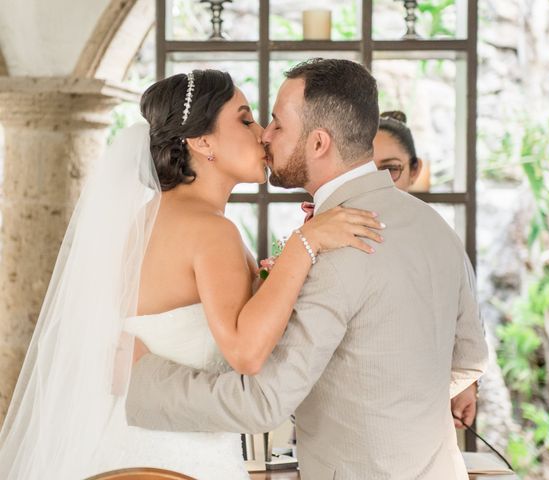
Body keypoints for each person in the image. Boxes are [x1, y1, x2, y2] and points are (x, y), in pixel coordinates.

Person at [0, 69, 384, 480]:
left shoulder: (148, 220)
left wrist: (268, 285)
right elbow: (246, 353)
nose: (262, 134)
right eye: (245, 118)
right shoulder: (209, 230)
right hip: (176, 460)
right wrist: (303, 246)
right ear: (202, 142)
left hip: (119, 452)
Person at [126, 58, 489, 480]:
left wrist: (137, 380)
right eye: (252, 121)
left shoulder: (336, 244)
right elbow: (471, 356)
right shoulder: (433, 226)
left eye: (276, 124)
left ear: (318, 144)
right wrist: (401, 403)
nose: (265, 134)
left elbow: (263, 402)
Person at [373, 110, 480, 430]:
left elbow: (468, 319)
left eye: (390, 169)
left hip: (420, 411)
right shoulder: (328, 233)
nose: (379, 181)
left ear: (415, 170)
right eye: (366, 169)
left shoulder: (439, 239)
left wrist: (465, 385)